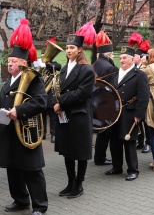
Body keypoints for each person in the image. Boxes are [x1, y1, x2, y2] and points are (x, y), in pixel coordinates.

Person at [0, 19, 48, 215]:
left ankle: (40, 205)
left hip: (27, 130)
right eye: (9, 61)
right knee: (12, 168)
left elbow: (41, 102)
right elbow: (1, 108)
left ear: (24, 63)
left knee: (32, 170)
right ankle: (21, 199)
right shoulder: (8, 81)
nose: (10, 63)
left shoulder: (34, 79)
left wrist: (20, 110)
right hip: (9, 131)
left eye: (14, 61)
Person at [54, 22, 96, 198]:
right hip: (65, 115)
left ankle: (79, 184)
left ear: (80, 49)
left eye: (72, 47)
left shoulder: (86, 69)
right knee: (67, 151)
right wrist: (55, 101)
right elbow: (57, 88)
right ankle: (70, 182)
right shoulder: (64, 69)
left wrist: (60, 102)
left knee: (80, 152)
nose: (69, 50)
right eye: (67, 47)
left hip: (79, 115)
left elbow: (81, 94)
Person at [105, 46, 149, 181]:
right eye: (121, 57)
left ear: (132, 59)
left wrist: (139, 115)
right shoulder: (115, 74)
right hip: (115, 113)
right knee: (114, 140)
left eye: (125, 58)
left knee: (129, 141)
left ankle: (133, 169)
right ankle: (117, 166)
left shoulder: (139, 74)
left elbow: (144, 97)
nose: (122, 60)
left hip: (129, 113)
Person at [92, 30, 118, 166]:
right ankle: (100, 158)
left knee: (101, 131)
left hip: (96, 101)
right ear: (108, 54)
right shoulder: (110, 67)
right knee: (106, 132)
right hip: (106, 102)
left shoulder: (95, 64)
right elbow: (114, 87)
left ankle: (98, 157)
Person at [128, 32, 152, 154]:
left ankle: (149, 143)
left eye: (135, 56)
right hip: (135, 100)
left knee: (146, 123)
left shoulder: (145, 68)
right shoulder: (135, 68)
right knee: (139, 123)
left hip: (144, 100)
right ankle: (141, 141)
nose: (134, 57)